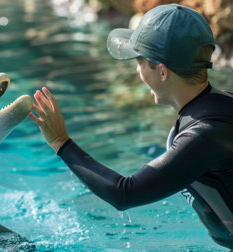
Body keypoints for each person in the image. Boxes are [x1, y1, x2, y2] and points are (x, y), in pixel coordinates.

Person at [29, 4, 233, 250]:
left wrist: (60, 142)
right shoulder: (221, 105)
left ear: (162, 71)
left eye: (139, 61)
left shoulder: (205, 134)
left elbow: (124, 193)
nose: (137, 70)